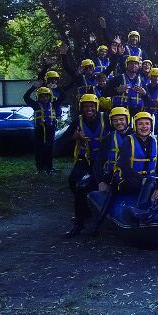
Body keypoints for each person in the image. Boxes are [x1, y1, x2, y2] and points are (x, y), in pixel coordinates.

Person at [64, 94, 108, 237]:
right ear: (81, 108)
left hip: (102, 161)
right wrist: (75, 137)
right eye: (85, 106)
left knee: (83, 187)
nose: (89, 109)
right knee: (73, 181)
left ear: (96, 107)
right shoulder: (78, 121)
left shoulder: (105, 118)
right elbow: (63, 141)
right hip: (86, 158)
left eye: (91, 106)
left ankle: (80, 222)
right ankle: (84, 212)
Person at [86, 106, 132, 235]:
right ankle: (80, 221)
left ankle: (99, 223)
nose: (119, 123)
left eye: (121, 119)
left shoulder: (136, 135)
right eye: (115, 120)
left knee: (115, 191)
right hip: (111, 174)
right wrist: (100, 181)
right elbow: (98, 163)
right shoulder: (108, 138)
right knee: (81, 186)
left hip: (130, 175)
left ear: (127, 120)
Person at [113, 112, 158, 198]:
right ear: (135, 126)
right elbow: (125, 167)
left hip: (149, 179)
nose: (144, 126)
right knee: (137, 184)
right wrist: (143, 180)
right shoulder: (128, 141)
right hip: (129, 179)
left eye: (147, 124)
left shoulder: (155, 142)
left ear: (151, 126)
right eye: (140, 124)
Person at [23, 84, 60, 174]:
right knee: (39, 148)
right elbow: (26, 97)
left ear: (50, 97)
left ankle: (49, 168)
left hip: (50, 128)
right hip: (40, 129)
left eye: (46, 96)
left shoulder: (54, 105)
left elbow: (63, 96)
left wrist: (56, 87)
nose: (44, 98)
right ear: (38, 97)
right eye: (42, 96)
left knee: (49, 148)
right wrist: (33, 87)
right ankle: (40, 168)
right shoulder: (35, 105)